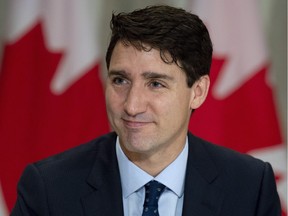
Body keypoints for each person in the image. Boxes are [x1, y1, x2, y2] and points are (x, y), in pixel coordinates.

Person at [11, 5, 281, 216]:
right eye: (120, 80)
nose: (131, 105)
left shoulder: (250, 187)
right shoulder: (49, 187)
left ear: (197, 92)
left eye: (155, 83)